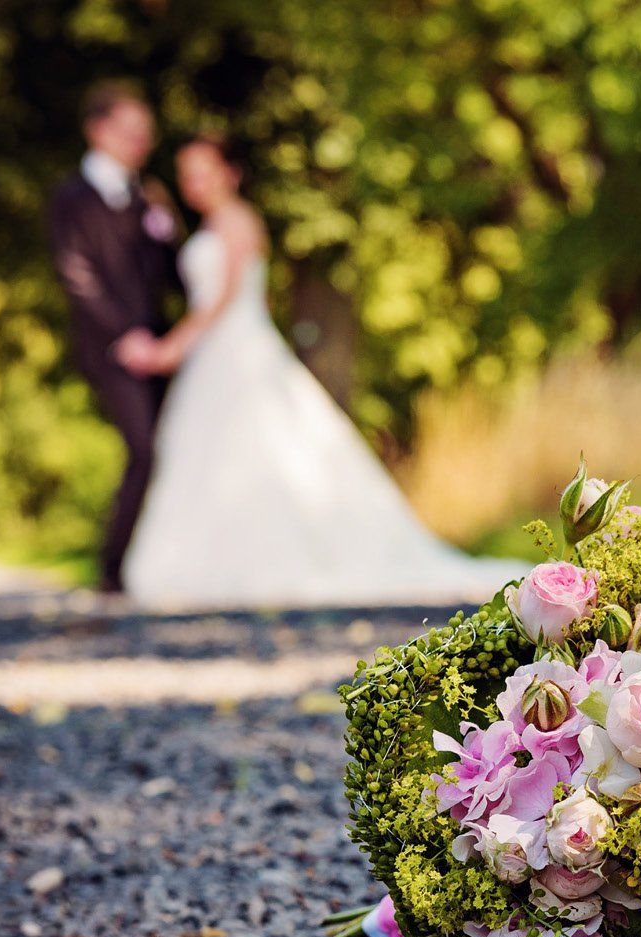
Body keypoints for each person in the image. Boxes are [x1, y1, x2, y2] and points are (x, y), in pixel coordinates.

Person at [114, 134, 524, 606]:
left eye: (204, 171)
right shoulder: (210, 225)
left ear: (231, 172)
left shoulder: (236, 221)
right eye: (187, 174)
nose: (194, 184)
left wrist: (168, 350)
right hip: (223, 355)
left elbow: (222, 303)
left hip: (234, 350)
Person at [48, 81, 180, 595]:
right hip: (110, 347)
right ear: (98, 130)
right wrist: (124, 335)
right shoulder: (70, 199)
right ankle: (113, 567)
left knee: (173, 446)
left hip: (162, 345)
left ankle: (158, 562)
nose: (141, 143)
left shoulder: (149, 195)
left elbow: (172, 272)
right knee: (142, 448)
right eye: (131, 132)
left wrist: (166, 227)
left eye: (146, 134)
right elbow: (75, 273)